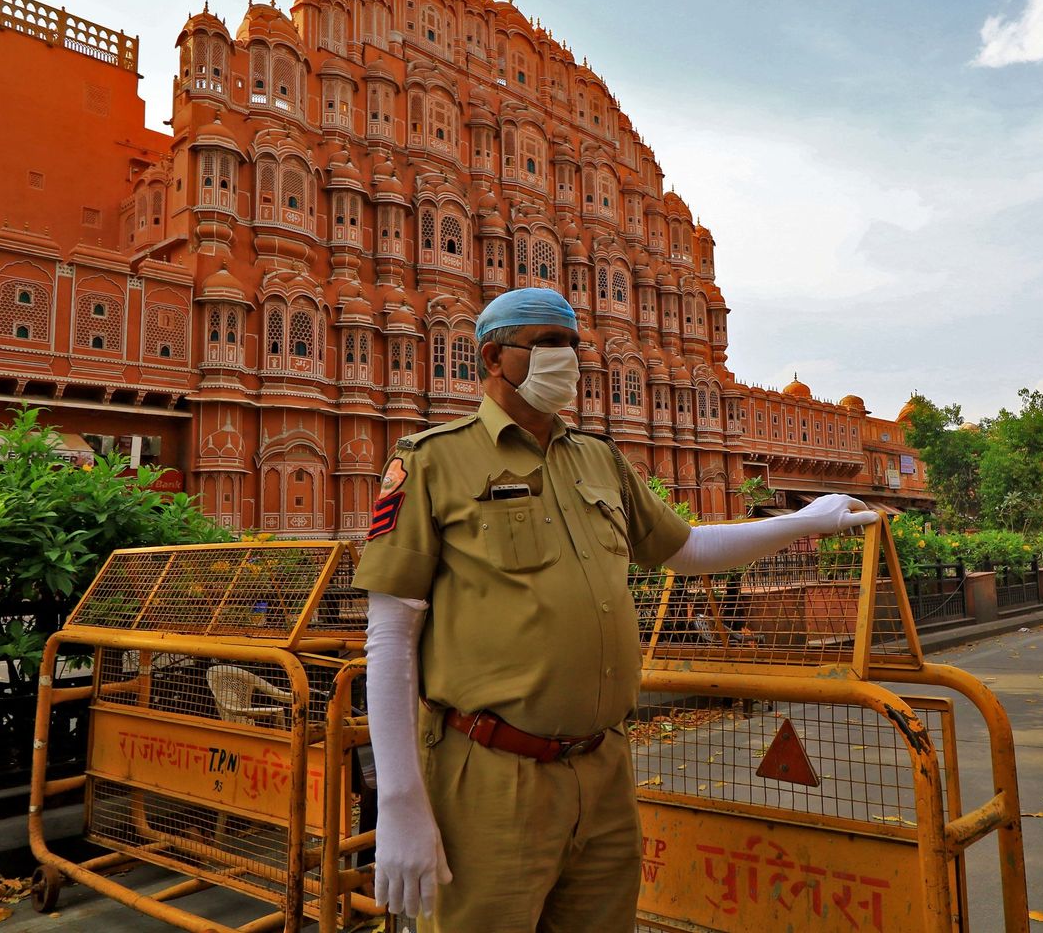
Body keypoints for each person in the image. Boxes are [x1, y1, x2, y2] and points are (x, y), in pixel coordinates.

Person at [351, 288, 878, 931]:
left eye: (573, 344)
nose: (568, 358)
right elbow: (390, 634)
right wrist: (401, 801)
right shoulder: (434, 460)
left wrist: (802, 521)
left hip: (601, 770)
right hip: (490, 775)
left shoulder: (598, 459)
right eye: (548, 344)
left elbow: (685, 547)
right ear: (493, 356)